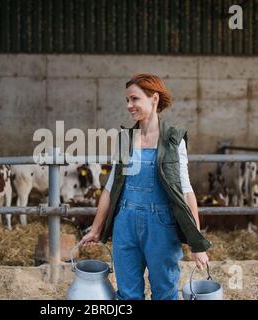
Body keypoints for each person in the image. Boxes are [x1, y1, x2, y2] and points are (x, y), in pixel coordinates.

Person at [80, 73, 212, 300]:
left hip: (161, 226)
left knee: (164, 293)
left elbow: (186, 191)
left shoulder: (173, 139)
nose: (129, 105)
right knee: (128, 294)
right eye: (127, 100)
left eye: (134, 99)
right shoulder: (125, 139)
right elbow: (110, 188)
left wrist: (196, 241)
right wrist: (95, 229)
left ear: (154, 99)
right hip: (125, 224)